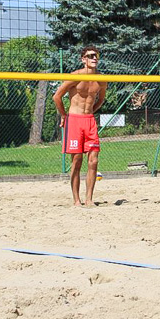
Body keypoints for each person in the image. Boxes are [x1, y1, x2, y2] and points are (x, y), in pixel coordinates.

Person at [53, 47, 107, 207]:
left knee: (93, 161)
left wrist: (90, 112)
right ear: (83, 59)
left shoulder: (101, 79)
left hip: (89, 120)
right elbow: (56, 96)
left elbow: (101, 100)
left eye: (96, 55)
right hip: (74, 120)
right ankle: (76, 200)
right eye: (90, 56)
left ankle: (89, 199)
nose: (94, 58)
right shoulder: (75, 76)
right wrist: (64, 116)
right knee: (77, 161)